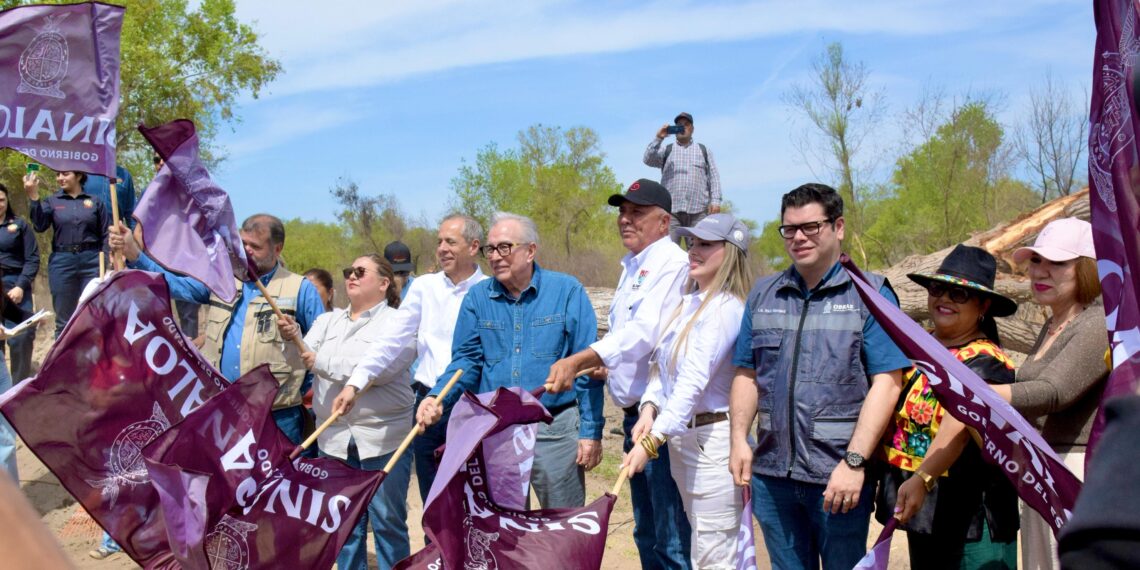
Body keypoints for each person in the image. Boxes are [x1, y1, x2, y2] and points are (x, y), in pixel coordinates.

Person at [728, 183, 910, 570]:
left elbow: (888, 382)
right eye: (789, 229)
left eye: (811, 227)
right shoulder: (764, 294)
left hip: (838, 478)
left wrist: (855, 462)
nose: (798, 237)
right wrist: (738, 441)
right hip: (772, 475)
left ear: (838, 227)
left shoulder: (870, 294)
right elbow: (746, 373)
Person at [545, 179, 693, 569]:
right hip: (634, 420)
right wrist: (606, 367)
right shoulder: (634, 266)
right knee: (647, 531)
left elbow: (645, 332)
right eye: (622, 212)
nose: (625, 220)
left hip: (661, 421)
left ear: (664, 222)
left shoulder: (671, 264)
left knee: (672, 536)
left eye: (637, 213)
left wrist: (579, 360)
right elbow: (636, 340)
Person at [417, 212, 603, 509]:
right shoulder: (477, 298)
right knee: (504, 529)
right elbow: (466, 361)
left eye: (505, 247)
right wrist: (437, 396)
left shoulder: (566, 291)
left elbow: (588, 366)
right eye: (490, 249)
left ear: (530, 251)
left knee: (561, 526)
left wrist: (590, 432)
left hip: (554, 429)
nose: (495, 256)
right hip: (496, 431)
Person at [108, 213, 324, 444]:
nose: (247, 251)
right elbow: (174, 284)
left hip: (279, 416)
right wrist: (135, 254)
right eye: (244, 244)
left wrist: (300, 390)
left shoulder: (301, 289)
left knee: (277, 479)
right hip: (225, 411)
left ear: (277, 248)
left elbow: (322, 347)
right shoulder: (224, 280)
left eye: (256, 246)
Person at [622, 214, 753, 569]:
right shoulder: (689, 304)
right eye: (692, 243)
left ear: (730, 253)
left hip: (712, 444)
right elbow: (661, 367)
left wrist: (651, 444)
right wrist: (649, 407)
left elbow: (692, 382)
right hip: (686, 443)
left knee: (714, 557)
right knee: (702, 546)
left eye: (706, 244)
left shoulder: (726, 308)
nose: (693, 251)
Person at [885, 245, 1020, 569]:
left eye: (959, 294)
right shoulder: (916, 349)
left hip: (973, 514)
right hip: (923, 510)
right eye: (938, 289)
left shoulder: (988, 361)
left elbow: (958, 428)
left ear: (983, 305)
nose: (945, 299)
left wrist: (922, 478)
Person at [279, 255, 415, 570]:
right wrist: (293, 336)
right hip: (334, 439)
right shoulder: (327, 320)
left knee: (387, 521)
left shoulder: (399, 322)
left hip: (383, 439)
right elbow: (304, 357)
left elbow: (378, 368)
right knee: (344, 524)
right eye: (348, 271)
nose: (351, 276)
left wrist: (323, 362)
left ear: (384, 283)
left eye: (360, 272)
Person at [988, 217, 1108, 570]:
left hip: (1076, 472)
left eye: (1056, 262)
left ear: (1086, 268)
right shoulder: (1052, 324)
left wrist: (980, 393)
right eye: (1036, 261)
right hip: (1041, 470)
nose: (1039, 271)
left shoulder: (1097, 322)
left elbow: (1054, 391)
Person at [343, 214, 486, 503]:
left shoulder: (490, 289)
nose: (442, 248)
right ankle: (437, 550)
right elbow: (392, 340)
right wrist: (355, 383)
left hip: (475, 407)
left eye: (451, 241)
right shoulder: (425, 287)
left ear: (473, 247)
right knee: (434, 501)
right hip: (428, 405)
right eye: (439, 242)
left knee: (474, 501)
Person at [24, 170, 110, 337]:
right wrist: (34, 197)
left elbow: (105, 234)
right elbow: (40, 226)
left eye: (65, 174)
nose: (60, 178)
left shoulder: (95, 202)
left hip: (92, 261)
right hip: (62, 262)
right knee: (64, 320)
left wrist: (106, 261)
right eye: (57, 175)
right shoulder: (52, 201)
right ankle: (64, 361)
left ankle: (93, 361)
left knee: (92, 316)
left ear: (78, 176)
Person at [642, 112, 722, 244]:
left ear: (692, 129)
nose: (682, 127)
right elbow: (647, 159)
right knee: (668, 253)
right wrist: (658, 138)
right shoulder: (666, 151)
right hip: (671, 213)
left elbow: (714, 177)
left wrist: (716, 201)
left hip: (698, 212)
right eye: (679, 125)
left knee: (698, 253)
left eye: (686, 125)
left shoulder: (703, 151)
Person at [0, 183, 39, 382]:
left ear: (7, 202)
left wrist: (21, 285)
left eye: (2, 200)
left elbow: (32, 258)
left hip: (15, 284)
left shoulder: (20, 225)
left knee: (22, 336)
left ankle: (17, 387)